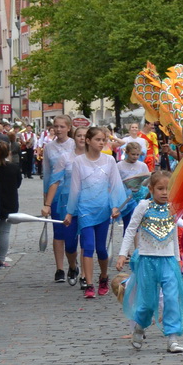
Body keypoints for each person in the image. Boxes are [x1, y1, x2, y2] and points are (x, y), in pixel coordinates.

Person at [113, 169, 183, 354]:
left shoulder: (173, 208)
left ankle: (172, 338)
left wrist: (178, 259)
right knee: (147, 301)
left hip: (168, 261)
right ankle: (139, 327)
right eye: (160, 189)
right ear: (152, 189)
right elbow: (131, 229)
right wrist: (123, 254)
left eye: (168, 189)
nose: (164, 192)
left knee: (171, 298)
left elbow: (173, 236)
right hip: (147, 261)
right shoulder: (143, 206)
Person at [66, 125, 125, 299]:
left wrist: (116, 207)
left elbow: (115, 185)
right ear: (88, 141)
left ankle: (104, 276)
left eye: (104, 140)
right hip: (85, 209)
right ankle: (89, 284)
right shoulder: (78, 162)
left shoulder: (110, 161)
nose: (102, 142)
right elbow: (75, 188)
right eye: (98, 139)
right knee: (88, 246)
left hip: (103, 208)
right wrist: (70, 212)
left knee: (101, 249)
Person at [39, 117, 78, 284]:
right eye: (56, 126)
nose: (59, 129)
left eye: (62, 126)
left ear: (68, 128)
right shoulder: (49, 148)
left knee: (72, 232)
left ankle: (73, 263)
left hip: (72, 192)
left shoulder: (75, 145)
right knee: (58, 232)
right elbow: (47, 172)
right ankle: (60, 268)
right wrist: (46, 197)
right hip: (56, 193)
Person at [0, 138, 21, 268]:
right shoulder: (14, 168)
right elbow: (17, 184)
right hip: (9, 203)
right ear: (8, 153)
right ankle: (1, 260)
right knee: (4, 233)